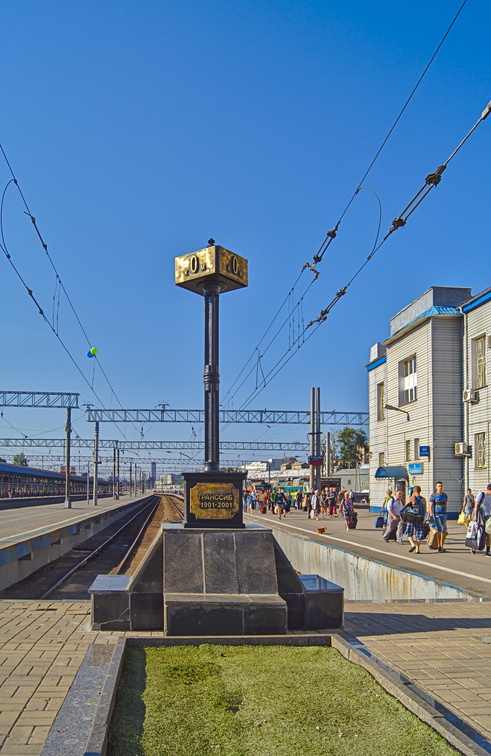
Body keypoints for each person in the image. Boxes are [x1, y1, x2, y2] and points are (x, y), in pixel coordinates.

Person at [405, 485, 426, 554]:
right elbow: (424, 509)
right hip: (419, 517)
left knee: (409, 532)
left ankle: (412, 544)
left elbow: (406, 507)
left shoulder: (411, 498)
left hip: (411, 517)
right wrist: (423, 517)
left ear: (414, 491)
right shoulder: (423, 499)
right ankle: (417, 549)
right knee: (419, 533)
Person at [429, 481, 448, 553]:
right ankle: (439, 545)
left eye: (441, 486)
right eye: (439, 486)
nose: (440, 487)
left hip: (444, 514)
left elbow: (446, 504)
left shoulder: (445, 495)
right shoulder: (433, 496)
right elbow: (430, 506)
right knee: (439, 529)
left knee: (444, 530)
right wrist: (431, 515)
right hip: (437, 514)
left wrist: (446, 512)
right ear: (436, 487)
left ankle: (441, 545)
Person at [473, 484, 491, 556]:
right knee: (478, 532)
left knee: (488, 533)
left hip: (488, 517)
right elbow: (476, 505)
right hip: (480, 516)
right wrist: (475, 516)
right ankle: (473, 546)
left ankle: (487, 551)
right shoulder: (482, 494)